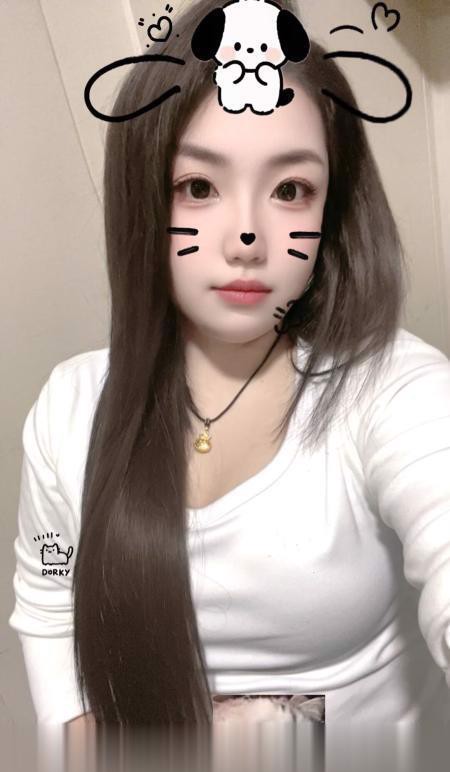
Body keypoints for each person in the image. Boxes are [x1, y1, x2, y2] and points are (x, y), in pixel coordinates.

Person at [9, 0, 450, 732]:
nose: (248, 236)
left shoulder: (389, 387)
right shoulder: (70, 408)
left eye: (290, 190)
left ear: (333, 213)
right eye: (199, 187)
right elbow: (50, 593)